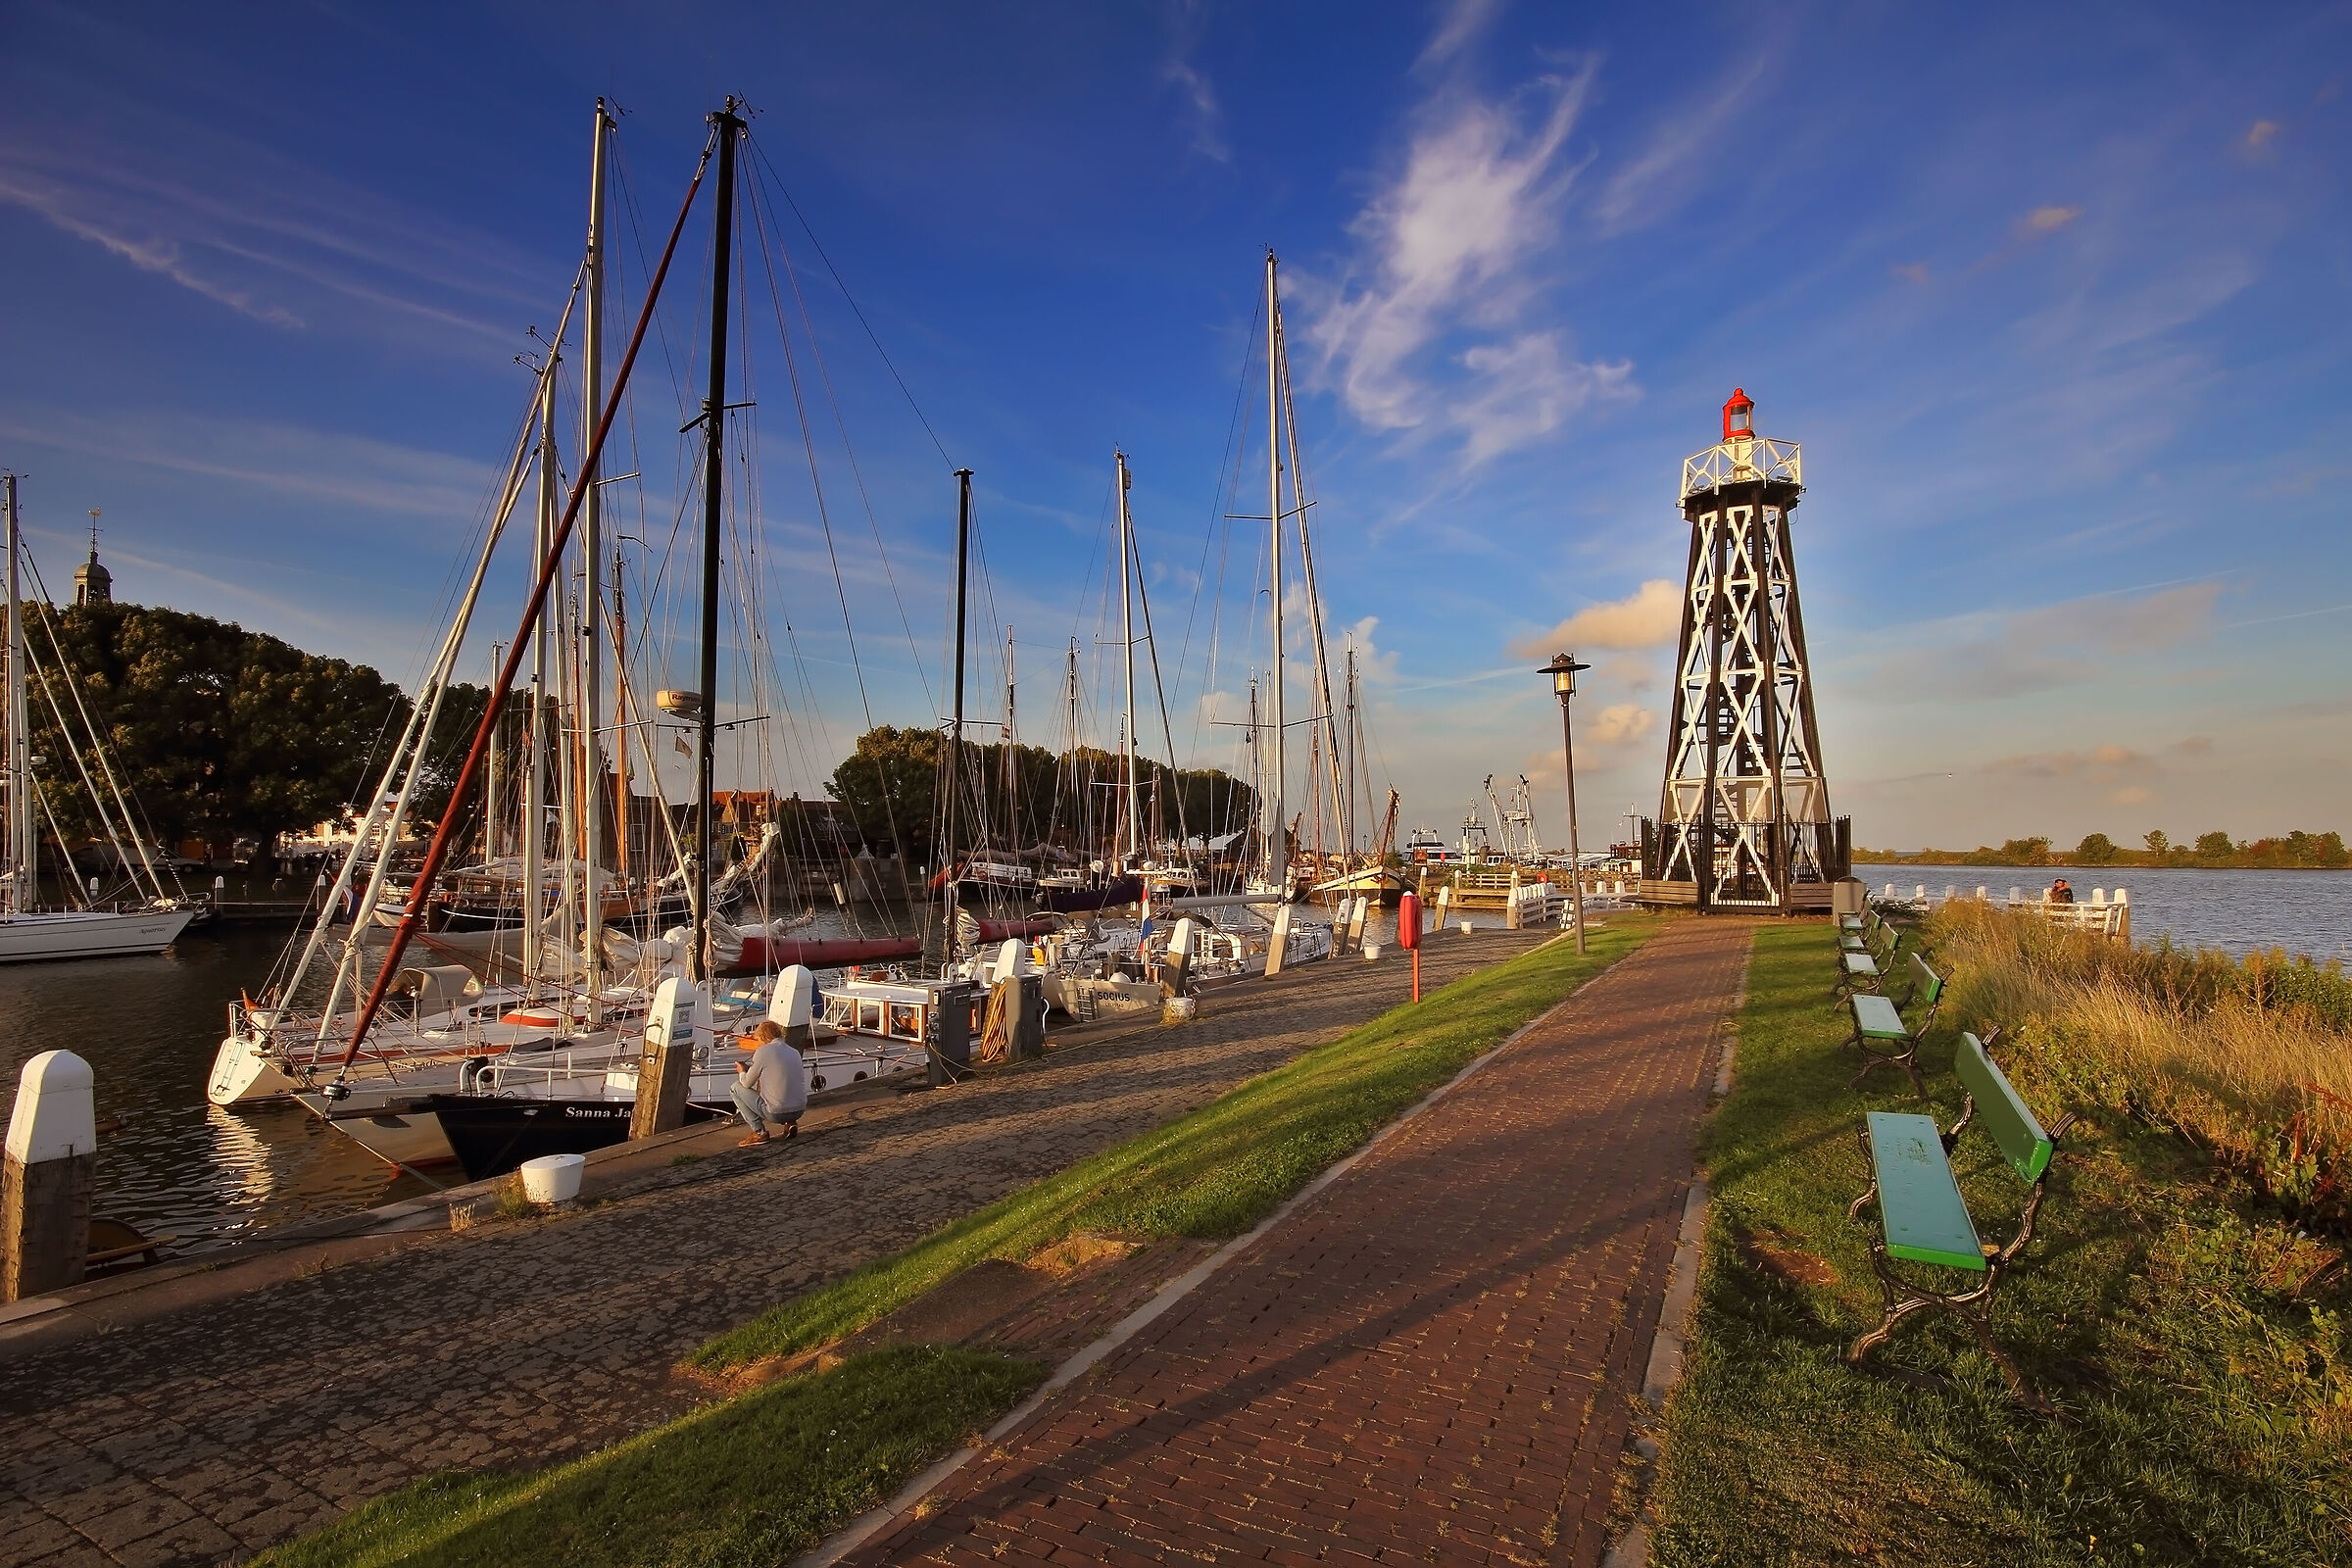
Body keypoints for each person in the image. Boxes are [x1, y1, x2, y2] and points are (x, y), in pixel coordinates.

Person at [730, 1019, 808, 1147]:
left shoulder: (764, 1051)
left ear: (763, 1037)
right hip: (799, 1110)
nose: (758, 1043)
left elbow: (746, 1084)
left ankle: (759, 1132)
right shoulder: (794, 1052)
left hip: (776, 1113)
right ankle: (790, 1123)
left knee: (735, 1088)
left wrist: (742, 1071)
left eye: (758, 1039)